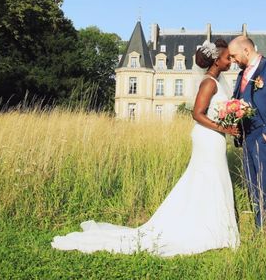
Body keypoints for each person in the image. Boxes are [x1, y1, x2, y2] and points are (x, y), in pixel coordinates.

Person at [51, 39, 240, 257]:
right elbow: (196, 114)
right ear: (216, 60)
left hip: (214, 137)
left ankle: (212, 227)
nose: (231, 61)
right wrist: (223, 128)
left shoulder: (217, 81)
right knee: (209, 177)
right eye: (228, 58)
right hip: (208, 137)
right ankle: (209, 229)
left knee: (209, 179)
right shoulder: (209, 83)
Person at [228, 35, 266, 227]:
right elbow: (237, 101)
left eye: (234, 56)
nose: (232, 61)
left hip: (265, 136)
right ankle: (260, 226)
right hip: (246, 137)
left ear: (246, 50)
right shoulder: (241, 75)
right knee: (252, 184)